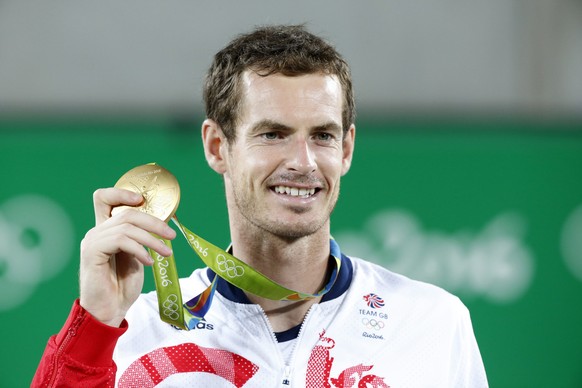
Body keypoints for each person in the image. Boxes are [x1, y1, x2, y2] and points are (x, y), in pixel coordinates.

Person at [32, 24, 488, 387]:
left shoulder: (431, 323)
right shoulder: (138, 331)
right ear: (217, 146)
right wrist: (96, 324)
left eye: (323, 136)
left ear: (346, 149)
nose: (303, 162)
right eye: (273, 134)